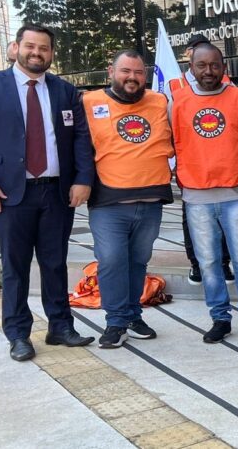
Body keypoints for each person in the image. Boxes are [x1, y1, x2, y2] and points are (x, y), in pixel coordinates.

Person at [0, 24, 96, 361]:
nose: (37, 54)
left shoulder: (65, 90)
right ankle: (19, 334)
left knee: (55, 262)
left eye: (44, 48)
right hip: (9, 194)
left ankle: (60, 326)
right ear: (16, 47)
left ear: (52, 53)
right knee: (15, 266)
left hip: (56, 192)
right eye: (31, 47)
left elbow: (81, 138)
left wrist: (83, 179)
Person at [171, 42, 238, 345]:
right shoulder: (176, 101)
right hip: (196, 197)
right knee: (208, 263)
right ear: (191, 68)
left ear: (224, 67)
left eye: (215, 65)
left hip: (235, 194)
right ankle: (220, 318)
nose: (208, 71)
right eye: (201, 65)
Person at [83, 50, 174, 348]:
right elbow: (76, 146)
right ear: (111, 71)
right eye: (125, 71)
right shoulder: (89, 101)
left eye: (137, 72)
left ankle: (134, 315)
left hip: (150, 200)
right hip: (108, 203)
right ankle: (115, 321)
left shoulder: (159, 101)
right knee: (111, 261)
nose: (132, 77)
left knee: (138, 261)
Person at [176, 35, 232, 285]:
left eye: (213, 63)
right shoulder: (175, 86)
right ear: (190, 57)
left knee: (224, 226)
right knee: (192, 224)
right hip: (192, 173)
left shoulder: (225, 85)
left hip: (225, 174)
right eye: (200, 60)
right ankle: (195, 264)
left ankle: (224, 263)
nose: (208, 69)